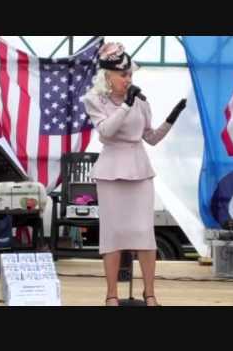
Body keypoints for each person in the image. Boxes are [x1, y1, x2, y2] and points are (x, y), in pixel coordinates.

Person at [83, 43, 186, 306]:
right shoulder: (94, 100)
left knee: (144, 233)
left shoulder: (140, 100)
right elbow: (106, 131)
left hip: (139, 169)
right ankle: (111, 294)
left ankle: (149, 292)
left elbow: (150, 138)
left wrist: (171, 120)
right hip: (111, 171)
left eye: (130, 74)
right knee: (113, 234)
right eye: (123, 74)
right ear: (107, 76)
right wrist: (126, 106)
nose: (129, 79)